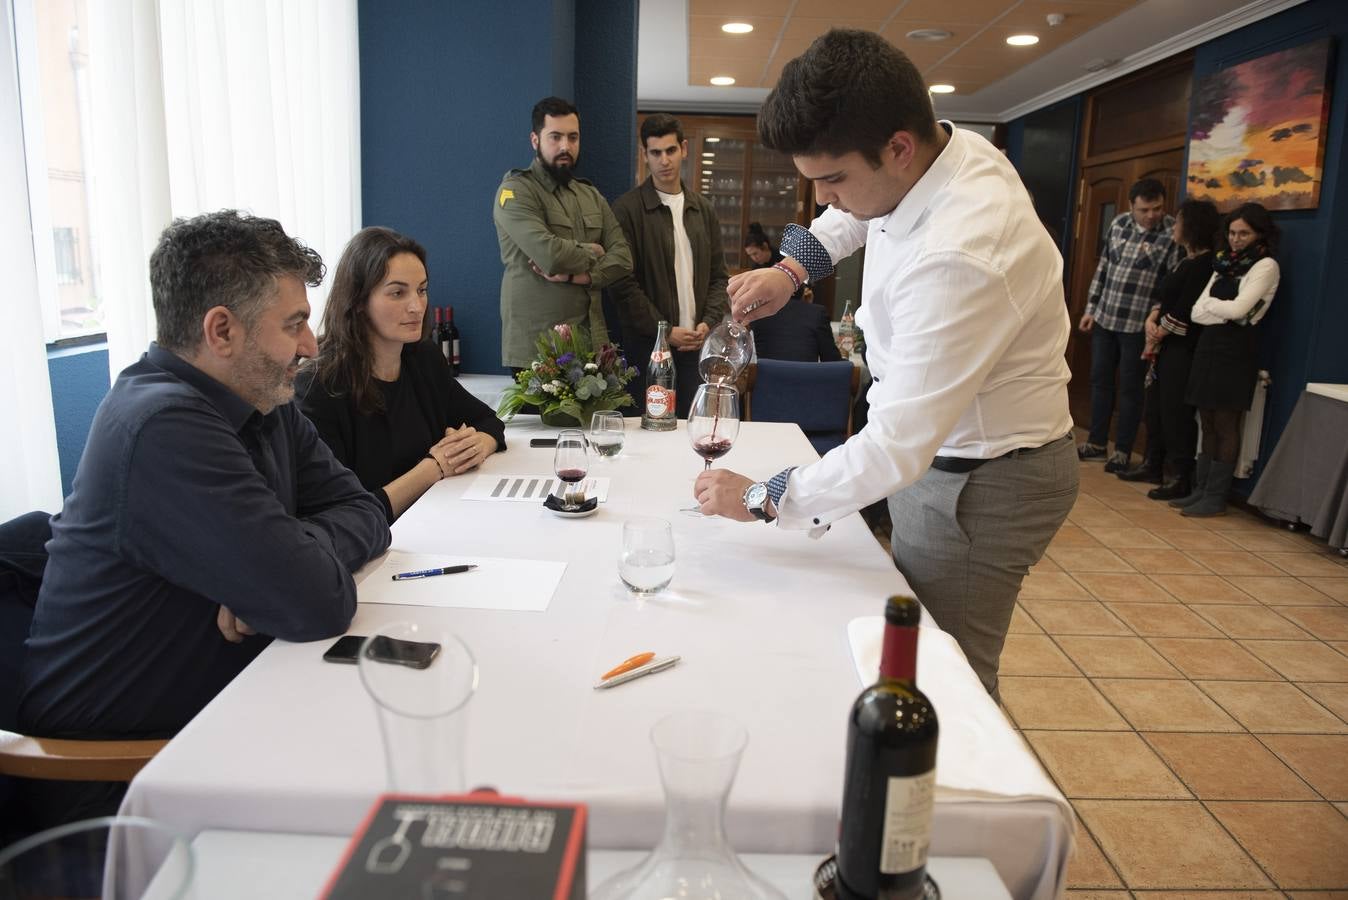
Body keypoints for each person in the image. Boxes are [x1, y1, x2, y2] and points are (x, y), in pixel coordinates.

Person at [694, 29, 1078, 698]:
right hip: (947, 452)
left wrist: (761, 497)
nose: (823, 201)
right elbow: (861, 212)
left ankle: (945, 798)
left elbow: (898, 447)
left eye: (831, 179)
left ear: (898, 147)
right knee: (907, 642)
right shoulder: (940, 154)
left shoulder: (961, 252)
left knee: (937, 674)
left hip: (982, 478)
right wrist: (791, 269)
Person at [16, 211, 390, 827]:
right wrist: (288, 571)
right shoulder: (164, 425)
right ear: (222, 331)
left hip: (225, 717)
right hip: (120, 783)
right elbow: (316, 601)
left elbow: (364, 510)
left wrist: (293, 549)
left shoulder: (263, 400)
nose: (311, 345)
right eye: (294, 324)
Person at [297, 227, 506, 523]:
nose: (416, 306)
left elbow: (489, 422)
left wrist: (474, 447)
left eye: (421, 290)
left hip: (435, 519)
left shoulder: (423, 358)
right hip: (374, 548)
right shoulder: (319, 387)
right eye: (397, 293)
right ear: (358, 301)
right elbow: (343, 515)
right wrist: (435, 466)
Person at [493, 96, 632, 370]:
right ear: (535, 140)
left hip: (593, 347)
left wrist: (578, 275)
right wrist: (594, 251)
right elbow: (550, 255)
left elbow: (624, 259)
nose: (565, 146)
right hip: (539, 354)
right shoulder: (516, 191)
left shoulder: (590, 194)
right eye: (555, 137)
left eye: (573, 137)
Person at [611, 113, 730, 416]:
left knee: (691, 437)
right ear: (645, 155)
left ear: (684, 149)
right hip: (648, 351)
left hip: (697, 349)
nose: (664, 160)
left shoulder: (703, 210)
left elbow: (719, 277)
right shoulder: (627, 210)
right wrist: (663, 331)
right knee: (648, 437)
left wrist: (708, 322)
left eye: (670, 150)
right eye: (656, 153)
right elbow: (623, 285)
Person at [1171, 202, 1280, 518]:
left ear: (1259, 234)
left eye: (1244, 233)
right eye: (1232, 232)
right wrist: (1225, 309)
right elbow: (1196, 311)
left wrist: (1218, 308)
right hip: (1209, 346)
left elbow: (1239, 310)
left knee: (1226, 423)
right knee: (1205, 421)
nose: (1236, 239)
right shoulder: (1223, 263)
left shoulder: (1265, 266)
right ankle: (1200, 490)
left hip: (1237, 350)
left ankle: (1216, 497)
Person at [1078, 178, 1182, 473]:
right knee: (1100, 381)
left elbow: (1170, 284)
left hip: (1138, 325)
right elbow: (1104, 268)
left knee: (1131, 388)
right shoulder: (1119, 224)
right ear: (1132, 207)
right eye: (1144, 209)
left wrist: (1156, 319)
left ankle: (1122, 449)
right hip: (1106, 318)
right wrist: (1091, 308)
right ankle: (1097, 444)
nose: (1152, 215)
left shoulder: (1171, 232)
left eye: (1157, 208)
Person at [1127, 199, 1220, 500]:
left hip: (1182, 348)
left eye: (1178, 221)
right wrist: (1153, 318)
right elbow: (1164, 296)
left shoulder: (1205, 264)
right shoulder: (1183, 259)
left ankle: (1180, 475)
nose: (1174, 226)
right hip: (1165, 345)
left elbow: (1186, 309)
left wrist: (1158, 332)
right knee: (1155, 408)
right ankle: (1153, 463)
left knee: (1175, 412)